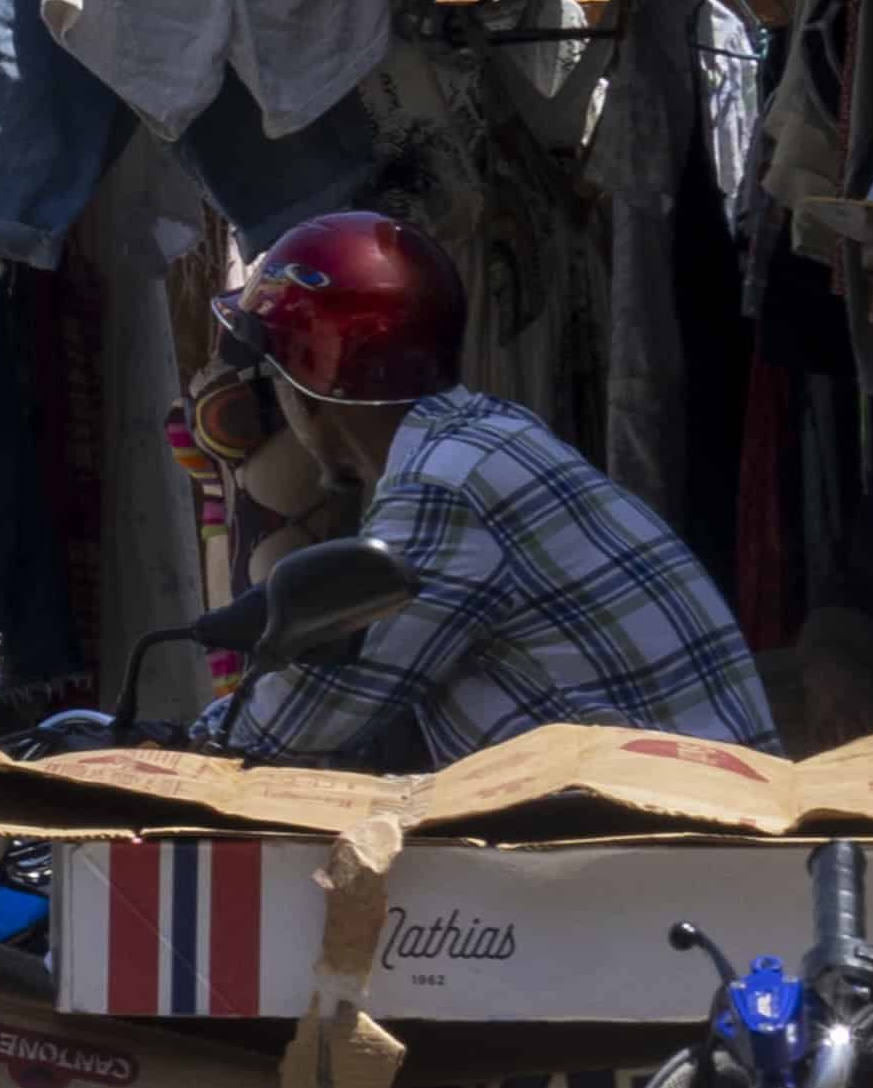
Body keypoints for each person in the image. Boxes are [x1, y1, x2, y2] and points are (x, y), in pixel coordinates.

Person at [212, 211, 776, 763]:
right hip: (700, 817)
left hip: (674, 836)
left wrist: (175, 745)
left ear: (304, 384)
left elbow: (294, 726)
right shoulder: (494, 436)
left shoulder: (441, 488)